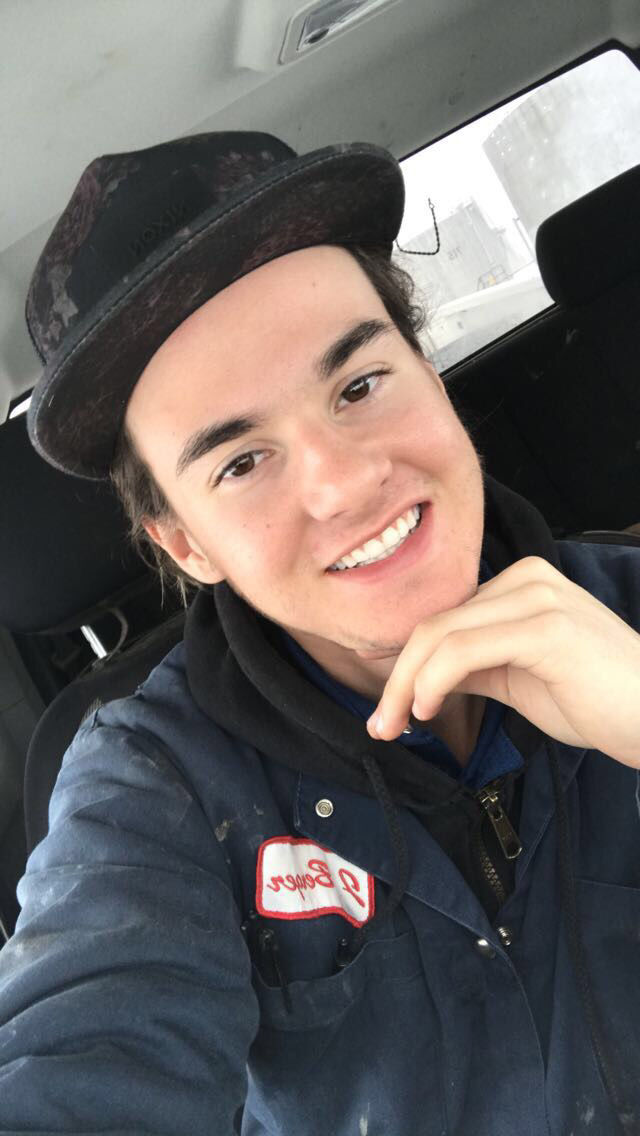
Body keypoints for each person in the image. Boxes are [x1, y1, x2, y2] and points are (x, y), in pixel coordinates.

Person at [0, 130, 639, 1136]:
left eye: (358, 386)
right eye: (240, 462)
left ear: (429, 373)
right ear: (186, 542)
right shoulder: (152, 789)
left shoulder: (629, 609)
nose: (344, 483)